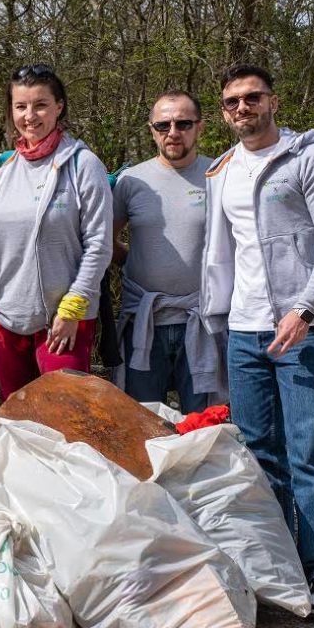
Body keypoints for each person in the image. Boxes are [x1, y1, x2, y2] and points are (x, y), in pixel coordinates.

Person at [201, 63, 314, 620]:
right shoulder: (222, 170)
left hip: (300, 329)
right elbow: (221, 254)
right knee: (259, 451)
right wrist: (215, 318)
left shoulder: (312, 159)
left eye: (252, 98)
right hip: (242, 328)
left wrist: (306, 310)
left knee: (309, 450)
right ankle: (277, 566)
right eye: (231, 102)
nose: (242, 109)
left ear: (274, 101)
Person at [0, 65, 113, 400]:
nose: (30, 116)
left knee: (65, 425)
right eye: (21, 106)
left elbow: (99, 245)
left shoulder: (83, 164)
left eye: (40, 105)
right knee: (19, 425)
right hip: (4, 322)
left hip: (63, 321)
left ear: (59, 106)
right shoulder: (0, 168)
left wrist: (72, 309)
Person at [112, 89, 226, 412]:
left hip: (202, 323)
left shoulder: (218, 176)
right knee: (142, 423)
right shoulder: (131, 182)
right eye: (163, 125)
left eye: (183, 123)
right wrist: (133, 262)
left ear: (200, 127)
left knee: (205, 426)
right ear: (151, 129)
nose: (173, 133)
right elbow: (105, 241)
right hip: (144, 325)